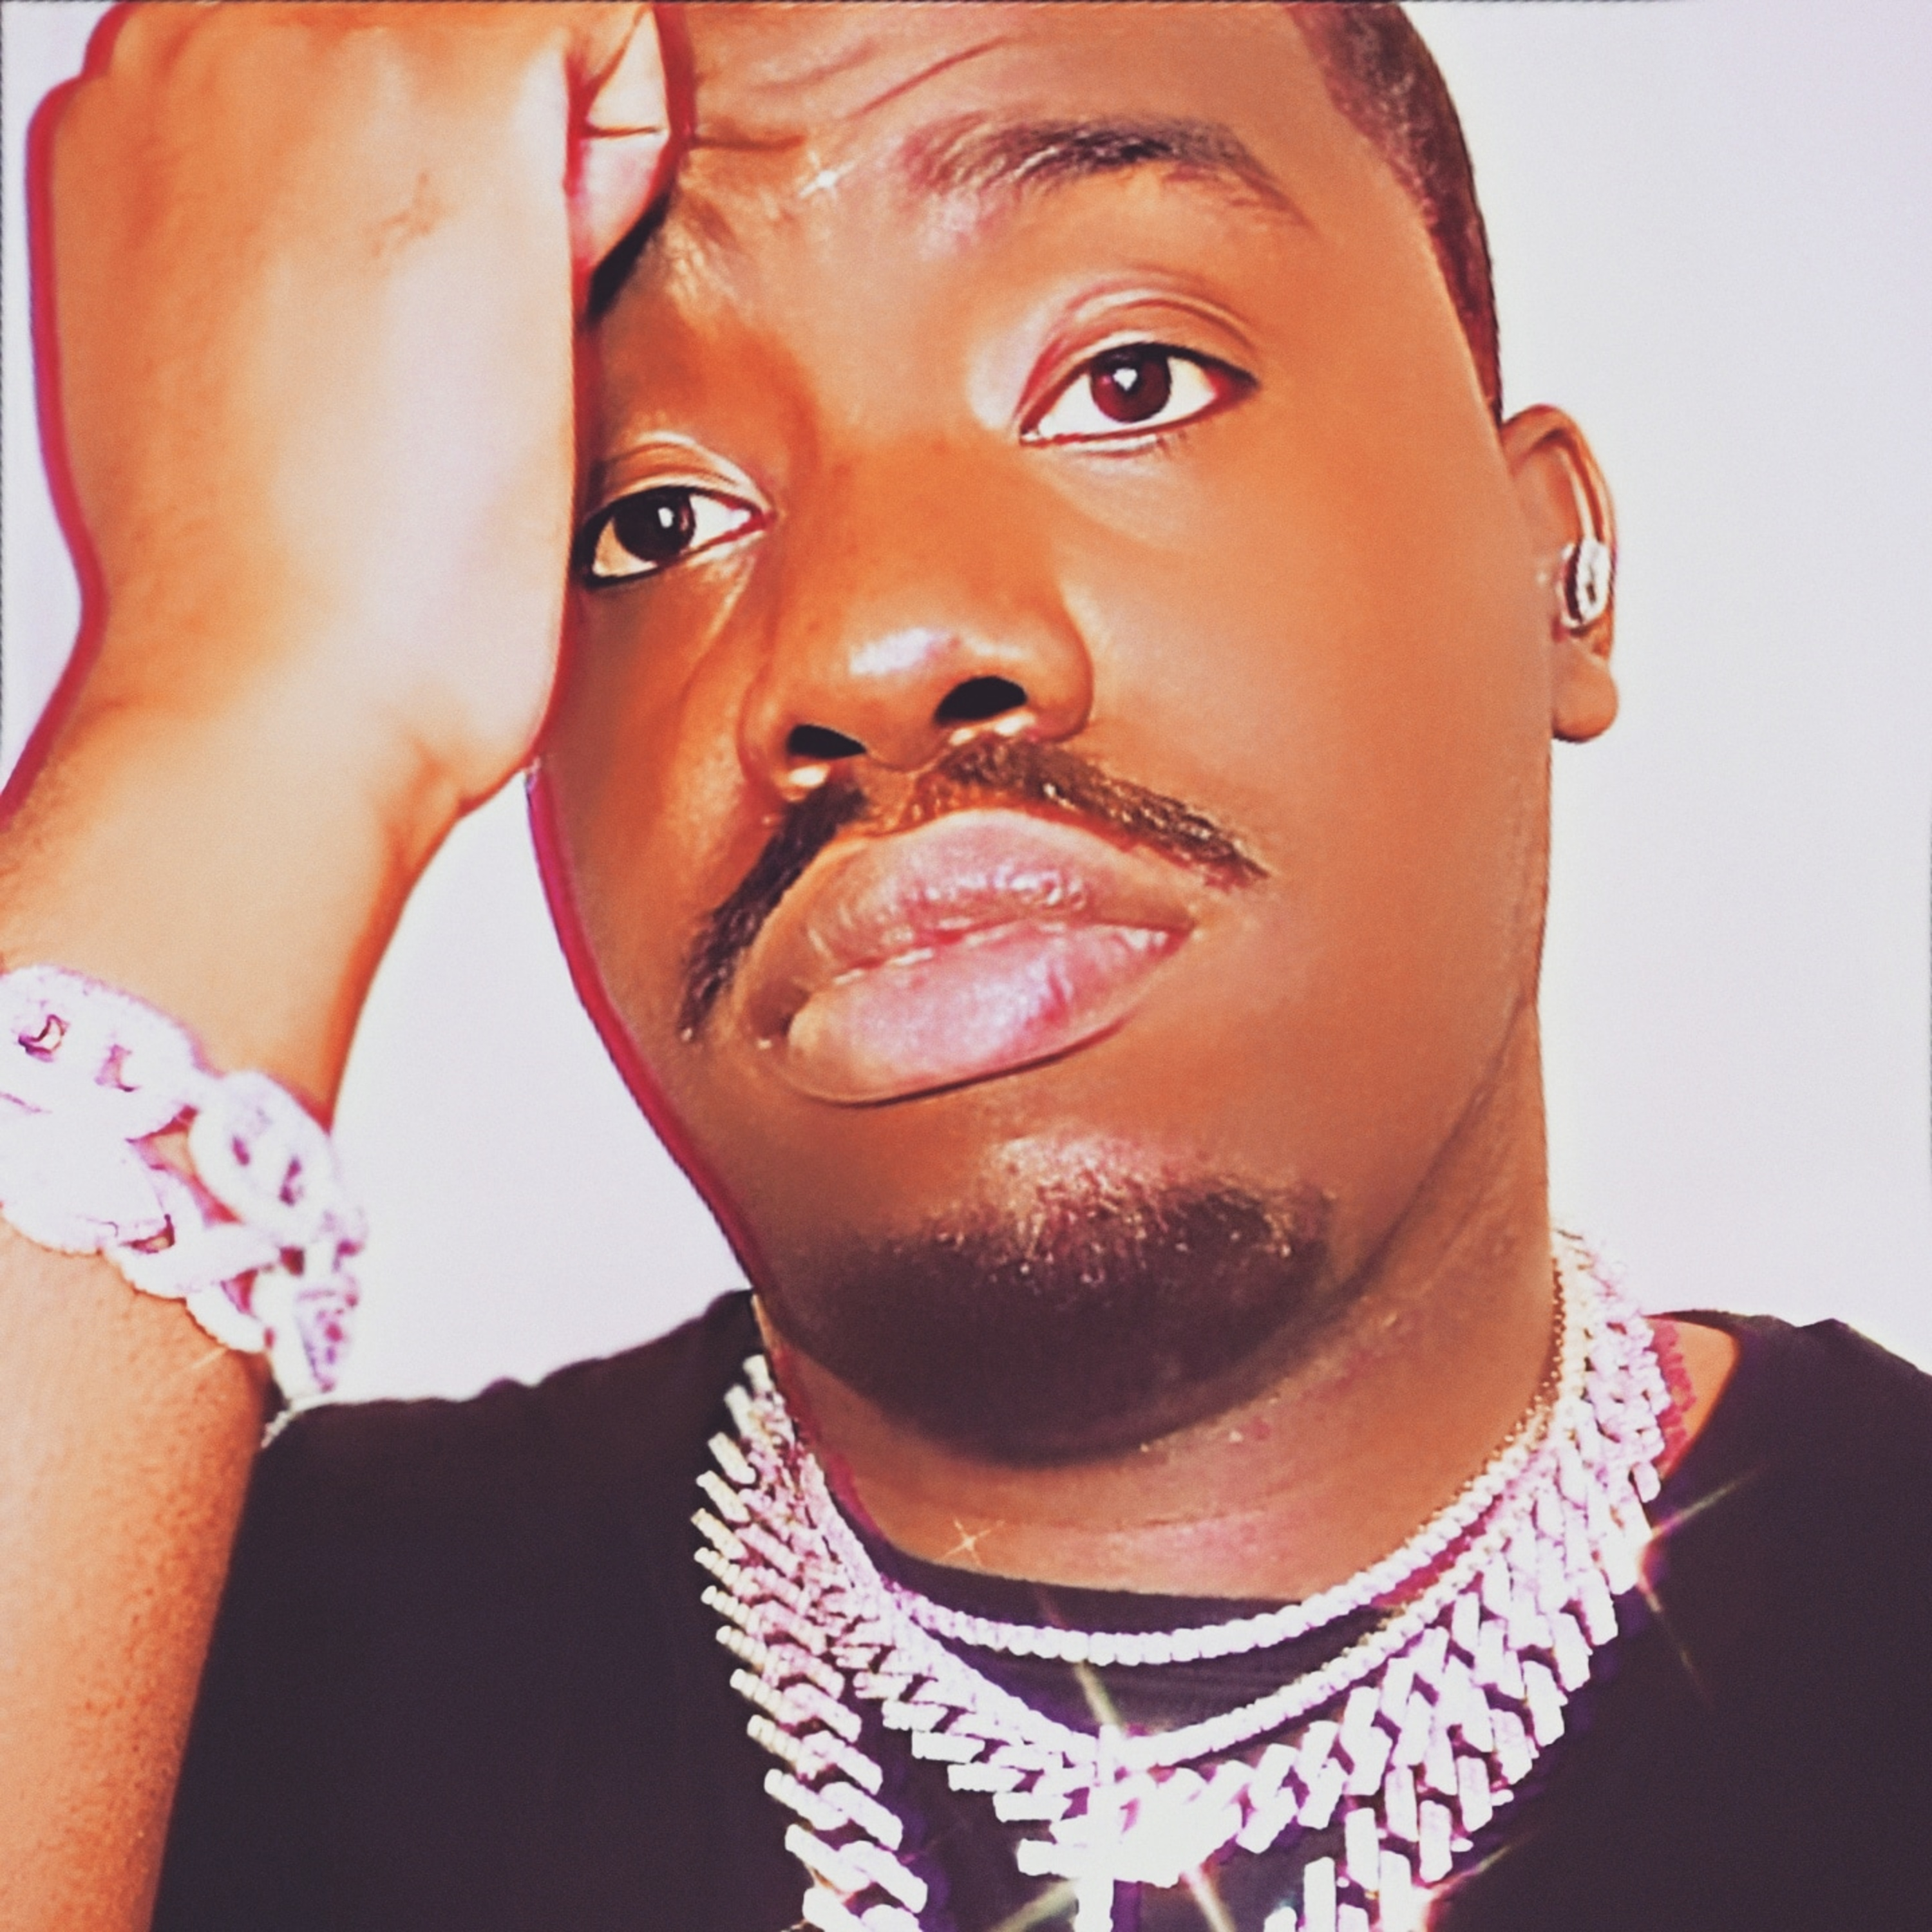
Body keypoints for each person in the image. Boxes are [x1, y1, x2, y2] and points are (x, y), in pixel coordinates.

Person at [0, 5, 1926, 1930]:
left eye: (1130, 379)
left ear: (1552, 563)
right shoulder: (183, 1686)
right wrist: (241, 698)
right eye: (651, 520)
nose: (877, 640)